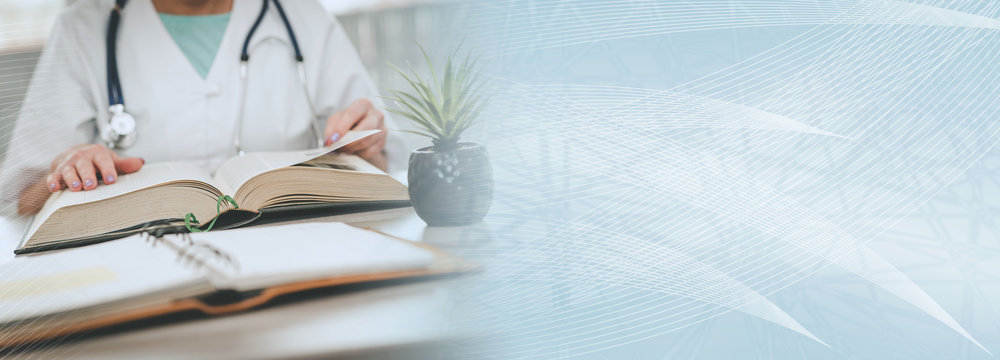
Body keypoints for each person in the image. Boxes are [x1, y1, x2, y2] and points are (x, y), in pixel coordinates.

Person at [3, 0, 403, 215]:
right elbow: (19, 202)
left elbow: (384, 163)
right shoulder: (84, 28)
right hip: (142, 280)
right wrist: (69, 172)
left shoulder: (303, 16)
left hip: (300, 265)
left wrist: (368, 144)